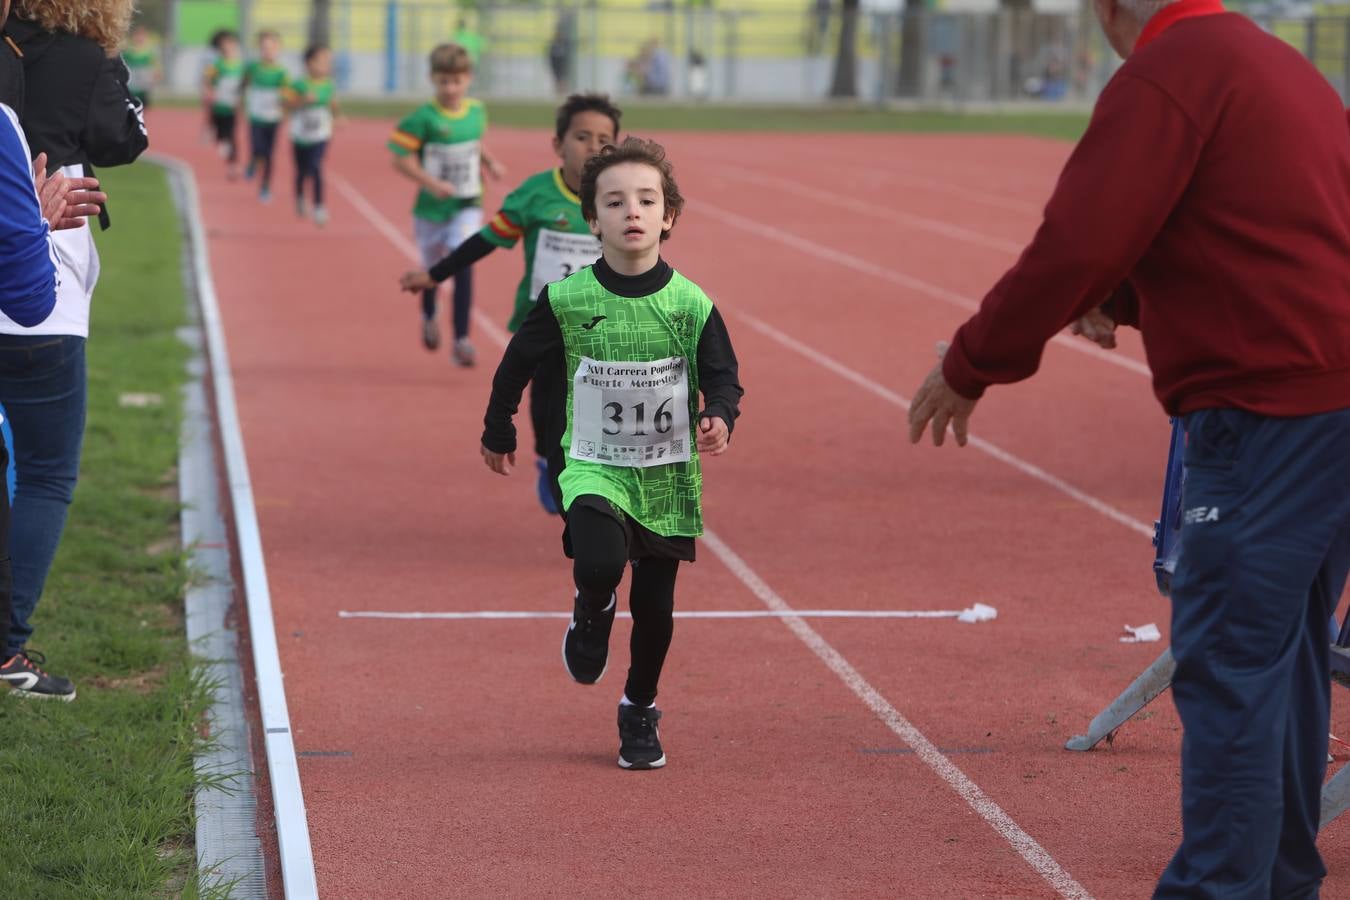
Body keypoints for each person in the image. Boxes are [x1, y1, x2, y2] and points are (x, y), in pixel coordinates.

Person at [905, 0, 1350, 894]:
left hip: (1265, 414)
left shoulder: (1168, 72)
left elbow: (1079, 238)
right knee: (1284, 659)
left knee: (1229, 668)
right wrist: (1137, 301)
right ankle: (1279, 877)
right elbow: (1270, 233)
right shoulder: (1281, 70)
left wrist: (972, 361)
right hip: (1330, 406)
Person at [480, 137, 743, 769]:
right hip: (593, 460)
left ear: (668, 217)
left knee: (656, 609)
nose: (632, 211)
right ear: (591, 219)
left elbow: (724, 375)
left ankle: (638, 707)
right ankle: (592, 607)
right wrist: (499, 428)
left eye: (647, 200)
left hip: (666, 471)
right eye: (615, 201)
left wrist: (719, 414)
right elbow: (517, 362)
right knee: (600, 558)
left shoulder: (691, 304)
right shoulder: (569, 299)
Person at [0, 0, 138, 701]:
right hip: (39, 269)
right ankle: (7, 647)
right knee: (47, 472)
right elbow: (122, 139)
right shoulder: (86, 54)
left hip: (34, 249)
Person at [400, 93, 621, 515]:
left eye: (603, 139)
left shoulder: (621, 198)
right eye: (582, 136)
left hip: (604, 328)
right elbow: (486, 239)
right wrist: (436, 274)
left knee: (594, 410)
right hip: (545, 325)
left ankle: (591, 488)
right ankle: (547, 460)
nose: (593, 146)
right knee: (547, 412)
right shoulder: (535, 195)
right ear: (558, 145)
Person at [388, 42, 504, 367]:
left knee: (462, 259)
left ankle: (462, 339)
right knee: (432, 270)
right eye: (443, 82)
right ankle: (428, 314)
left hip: (467, 203)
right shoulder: (422, 118)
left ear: (468, 79)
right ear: (432, 79)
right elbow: (399, 160)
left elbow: (473, 144)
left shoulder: (477, 112)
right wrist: (431, 183)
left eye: (457, 81)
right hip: (430, 210)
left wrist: (490, 162)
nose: (451, 88)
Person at [285, 44, 339, 227]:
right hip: (300, 134)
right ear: (309, 63)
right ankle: (300, 196)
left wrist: (338, 116)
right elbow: (286, 104)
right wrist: (302, 100)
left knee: (316, 167)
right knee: (301, 171)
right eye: (322, 62)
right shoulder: (299, 84)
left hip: (320, 134)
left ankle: (319, 207)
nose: (326, 66)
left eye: (328, 62)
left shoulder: (328, 84)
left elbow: (332, 103)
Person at [242, 29, 289, 204]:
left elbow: (287, 93)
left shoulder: (281, 72)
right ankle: (253, 161)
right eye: (264, 47)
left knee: (269, 154)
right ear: (260, 49)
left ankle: (265, 187)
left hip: (273, 118)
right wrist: (241, 98)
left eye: (272, 47)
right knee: (257, 147)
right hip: (256, 116)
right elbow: (244, 82)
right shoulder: (253, 67)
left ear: (278, 49)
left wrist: (285, 105)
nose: (268, 51)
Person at [202, 28, 243, 179]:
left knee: (231, 133)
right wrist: (209, 91)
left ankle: (233, 165)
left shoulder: (240, 66)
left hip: (232, 105)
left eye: (231, 46)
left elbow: (245, 84)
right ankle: (214, 134)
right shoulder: (217, 65)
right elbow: (208, 80)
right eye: (224, 46)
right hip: (218, 104)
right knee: (220, 131)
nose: (228, 49)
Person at [122, 24, 159, 109]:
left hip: (144, 87)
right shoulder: (128, 52)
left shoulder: (149, 52)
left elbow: (156, 69)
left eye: (142, 36)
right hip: (131, 88)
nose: (139, 38)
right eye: (137, 35)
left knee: (143, 109)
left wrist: (155, 78)